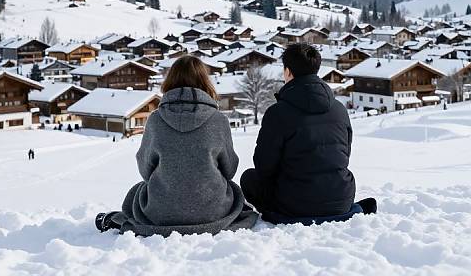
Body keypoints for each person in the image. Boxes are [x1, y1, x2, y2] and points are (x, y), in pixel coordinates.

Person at [95, 55, 257, 236]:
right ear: (205, 82)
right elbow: (229, 169)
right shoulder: (219, 120)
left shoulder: (155, 120)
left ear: (170, 79)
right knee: (233, 191)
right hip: (212, 210)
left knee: (136, 193)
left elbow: (145, 169)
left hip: (160, 212)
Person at [240, 43, 376, 225]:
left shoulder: (278, 113)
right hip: (340, 199)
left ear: (287, 71)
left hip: (294, 205)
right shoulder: (339, 109)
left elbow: (264, 167)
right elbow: (344, 155)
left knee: (249, 178)